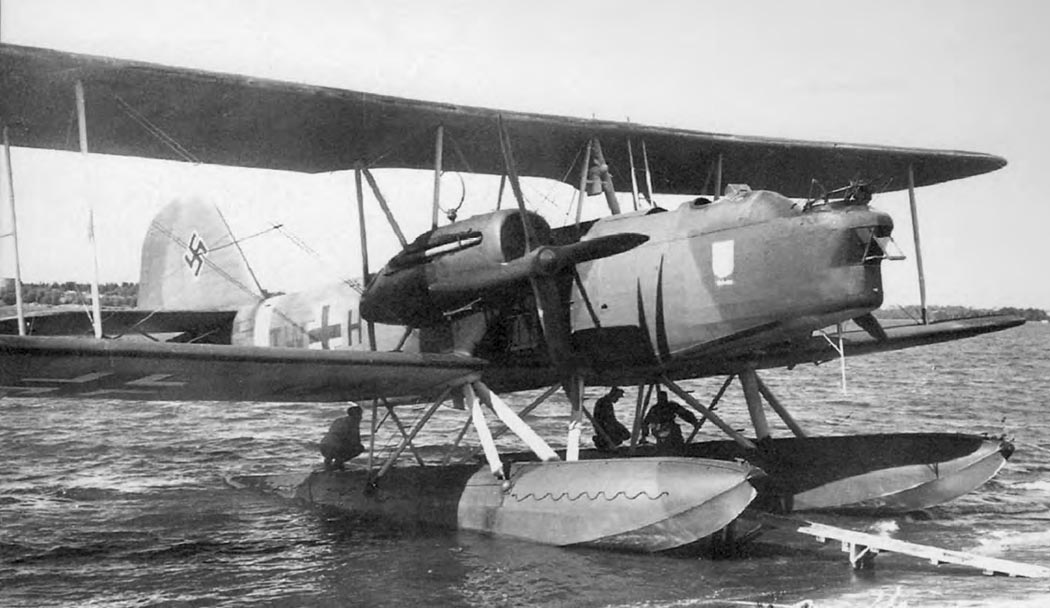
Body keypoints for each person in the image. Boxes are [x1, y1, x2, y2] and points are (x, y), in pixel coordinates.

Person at [320, 405, 364, 470]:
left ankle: (329, 463)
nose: (361, 417)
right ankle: (338, 463)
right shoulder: (353, 423)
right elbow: (355, 440)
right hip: (335, 447)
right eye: (360, 415)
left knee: (339, 445)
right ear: (356, 415)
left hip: (323, 446)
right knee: (359, 448)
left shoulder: (339, 420)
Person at [592, 387, 631, 451]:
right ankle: (603, 442)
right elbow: (608, 419)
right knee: (624, 434)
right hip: (604, 426)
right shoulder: (604, 402)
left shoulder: (606, 402)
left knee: (626, 434)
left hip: (606, 425)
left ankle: (605, 443)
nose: (617, 400)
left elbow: (611, 419)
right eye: (617, 397)